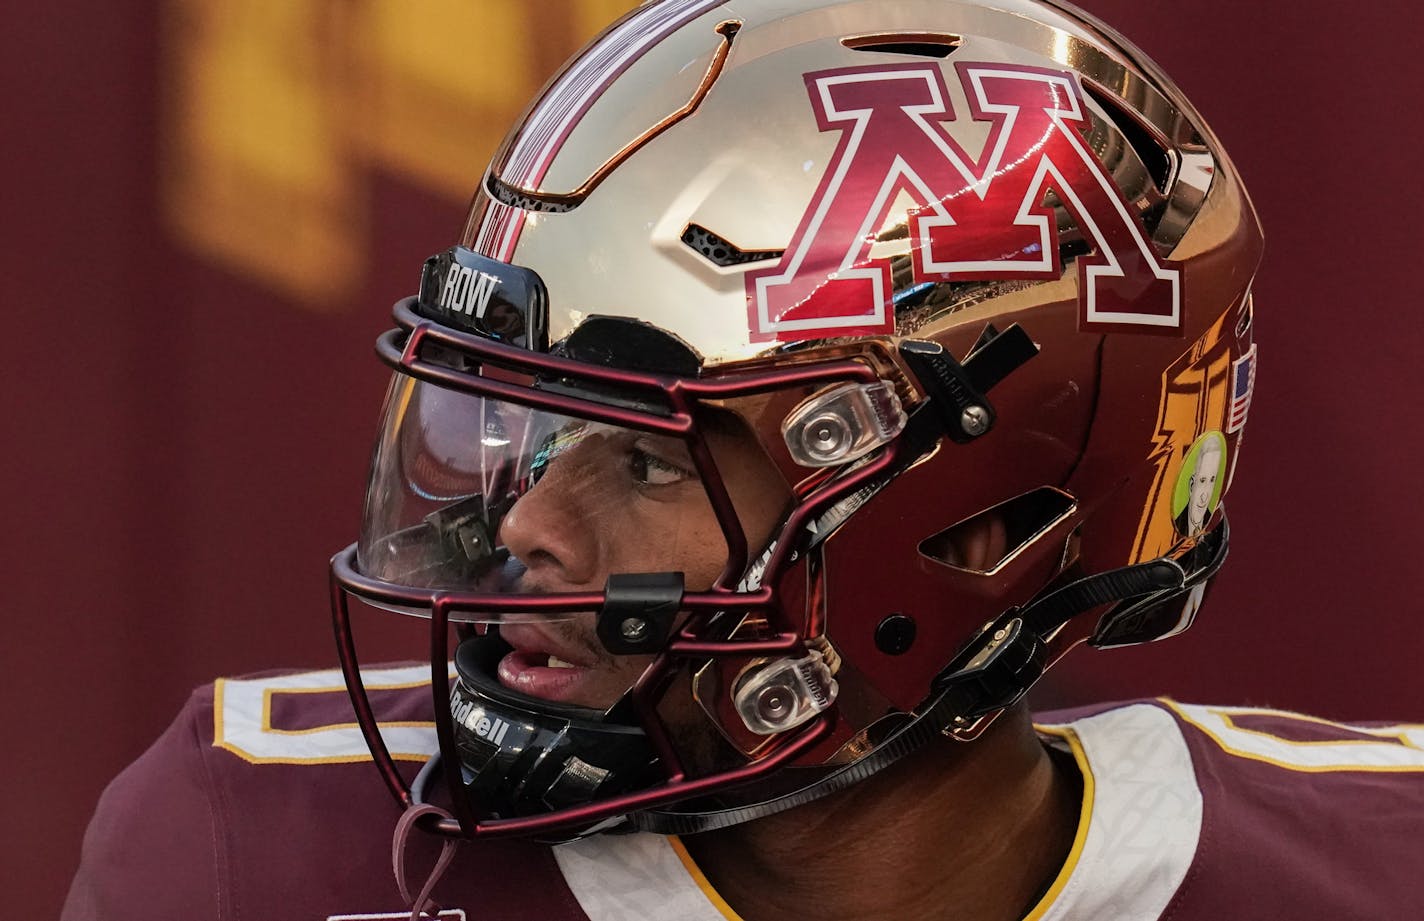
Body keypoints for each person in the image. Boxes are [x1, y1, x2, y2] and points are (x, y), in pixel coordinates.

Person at [65, 1, 1424, 919]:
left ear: (965, 533)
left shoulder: (1369, 866)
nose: (529, 520)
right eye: (537, 431)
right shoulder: (250, 855)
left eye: (652, 464)